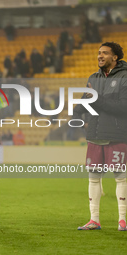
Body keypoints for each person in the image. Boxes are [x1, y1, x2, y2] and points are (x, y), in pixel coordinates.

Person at [75, 42, 127, 231]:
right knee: (93, 178)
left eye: (104, 53)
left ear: (115, 57)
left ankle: (122, 220)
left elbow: (123, 107)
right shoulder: (93, 77)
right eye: (98, 53)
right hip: (95, 134)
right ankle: (94, 220)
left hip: (117, 135)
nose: (100, 56)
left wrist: (98, 99)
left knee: (120, 178)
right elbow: (83, 103)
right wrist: (78, 116)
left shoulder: (124, 76)